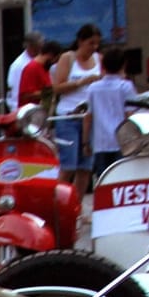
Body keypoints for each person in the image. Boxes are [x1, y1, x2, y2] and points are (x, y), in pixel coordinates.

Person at [51, 24, 103, 196]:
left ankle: (76, 207)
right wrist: (81, 82)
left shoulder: (98, 59)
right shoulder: (68, 58)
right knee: (68, 165)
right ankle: (56, 203)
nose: (94, 48)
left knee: (85, 167)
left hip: (89, 117)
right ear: (81, 41)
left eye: (97, 44)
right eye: (90, 43)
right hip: (68, 116)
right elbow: (57, 87)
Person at [85, 46, 137, 181]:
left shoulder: (93, 88)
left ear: (103, 65)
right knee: (122, 180)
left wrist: (85, 142)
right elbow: (130, 115)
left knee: (103, 180)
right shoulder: (126, 86)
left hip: (100, 143)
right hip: (122, 142)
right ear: (123, 65)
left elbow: (88, 117)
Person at [17, 39, 61, 107]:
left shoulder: (45, 68)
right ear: (50, 55)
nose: (55, 62)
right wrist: (50, 92)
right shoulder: (31, 68)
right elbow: (26, 95)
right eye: (56, 59)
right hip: (31, 113)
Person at [7, 30, 45, 102]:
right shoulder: (19, 66)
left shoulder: (42, 60)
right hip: (25, 109)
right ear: (31, 46)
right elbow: (14, 92)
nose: (41, 49)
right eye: (39, 47)